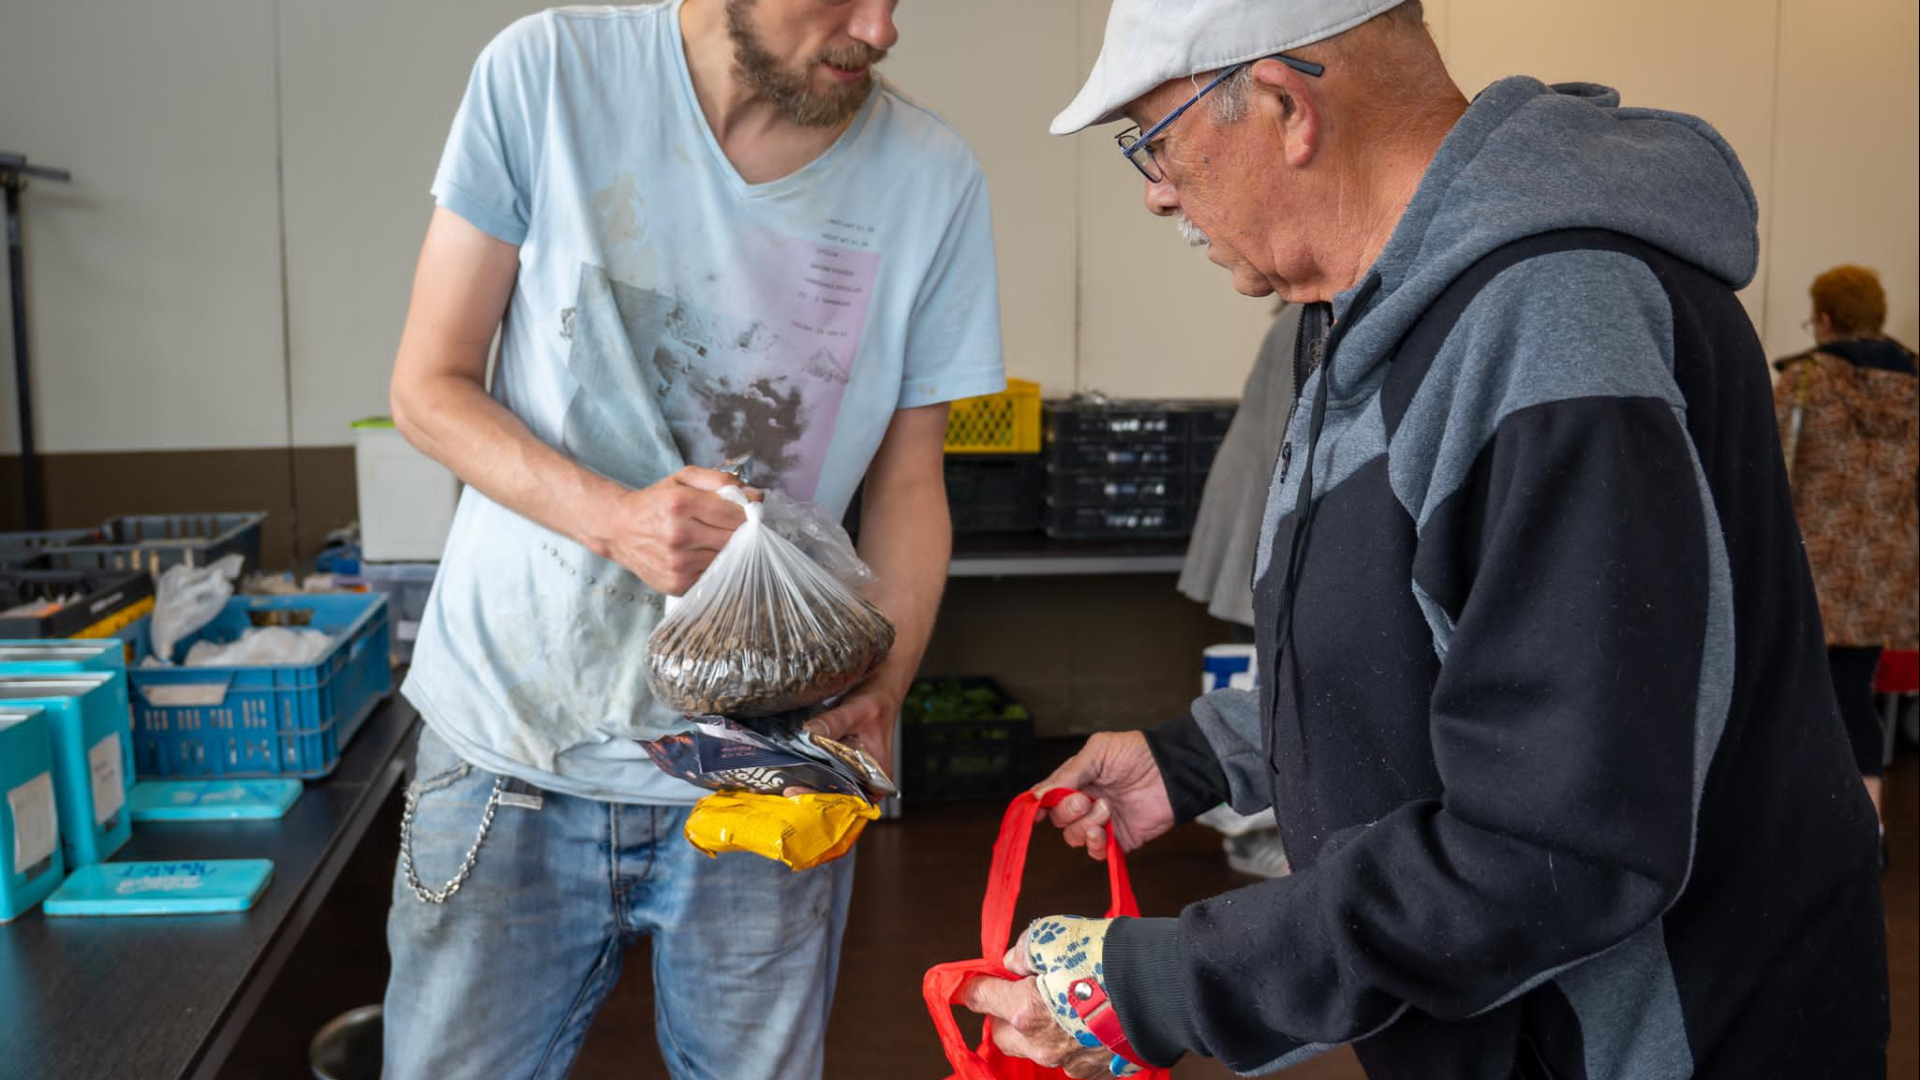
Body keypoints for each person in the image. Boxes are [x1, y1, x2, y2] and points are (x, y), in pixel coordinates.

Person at [957, 2, 1888, 1078]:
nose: (1157, 190)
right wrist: (1202, 760)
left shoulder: (1557, 321)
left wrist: (1170, 981)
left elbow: (1558, 844)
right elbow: (1450, 651)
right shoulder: (1373, 306)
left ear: (1286, 108)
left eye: (1154, 140)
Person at [383, 1, 1003, 1077]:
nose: (880, 29)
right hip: (512, 749)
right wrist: (615, 520)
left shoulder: (931, 177)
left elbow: (910, 483)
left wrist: (886, 686)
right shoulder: (549, 75)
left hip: (765, 763)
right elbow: (427, 389)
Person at [1774, 264, 1919, 864]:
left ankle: (1797, 830)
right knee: (1855, 699)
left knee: (1790, 699)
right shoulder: (1914, 389)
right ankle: (1868, 834)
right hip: (1879, 579)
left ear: (1826, 319)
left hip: (1807, 575)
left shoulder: (1804, 383)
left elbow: (1768, 476)